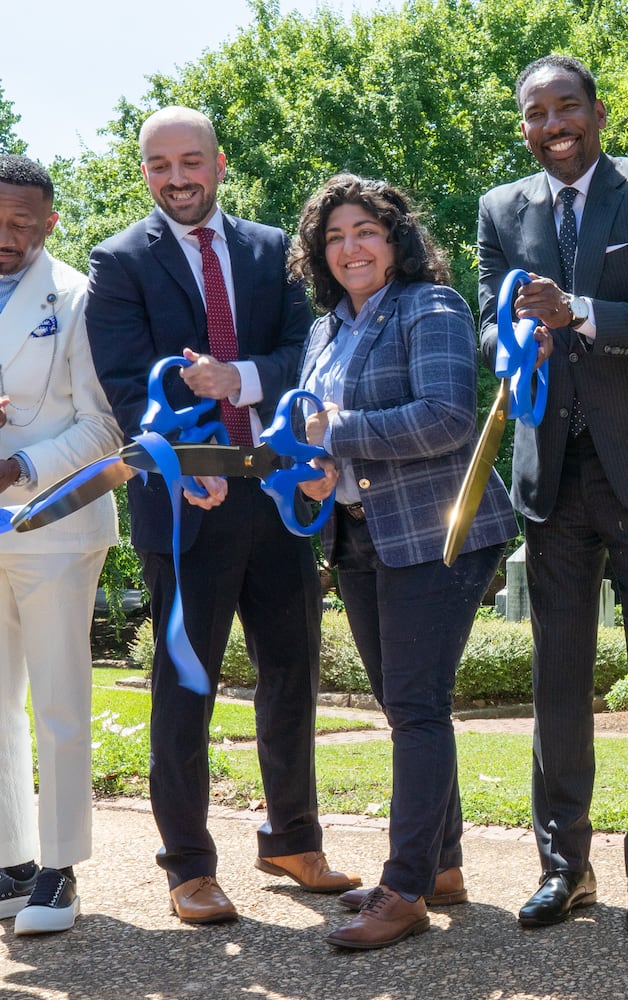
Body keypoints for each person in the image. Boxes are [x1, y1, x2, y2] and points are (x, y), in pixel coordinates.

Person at [85, 106, 358, 924]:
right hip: (185, 506)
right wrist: (184, 464)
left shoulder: (276, 251)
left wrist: (235, 380)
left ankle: (291, 839)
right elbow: (128, 384)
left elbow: (302, 352)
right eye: (161, 164)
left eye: (191, 161)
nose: (178, 177)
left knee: (292, 675)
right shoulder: (120, 259)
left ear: (219, 163)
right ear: (145, 173)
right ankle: (189, 868)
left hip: (276, 495)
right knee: (186, 687)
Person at [476, 55, 628, 934]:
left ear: (596, 112)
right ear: (525, 126)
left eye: (565, 106)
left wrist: (578, 310)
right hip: (549, 476)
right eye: (535, 113)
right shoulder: (501, 208)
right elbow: (498, 332)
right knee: (557, 685)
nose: (552, 123)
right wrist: (520, 337)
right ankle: (563, 868)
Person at [282, 174, 516, 949]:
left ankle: (406, 887)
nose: (351, 247)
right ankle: (442, 866)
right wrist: (313, 464)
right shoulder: (324, 331)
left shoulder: (431, 307)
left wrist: (335, 430)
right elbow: (319, 437)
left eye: (367, 232)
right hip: (355, 534)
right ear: (319, 253)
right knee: (402, 705)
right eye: (335, 236)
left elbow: (448, 418)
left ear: (397, 240)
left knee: (416, 707)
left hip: (438, 535)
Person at [0, 155, 121, 934]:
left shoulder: (78, 296)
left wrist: (17, 465)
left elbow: (105, 425)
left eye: (22, 222)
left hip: (54, 526)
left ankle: (60, 866)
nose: (6, 235)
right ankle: (10, 859)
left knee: (59, 701)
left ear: (49, 222)